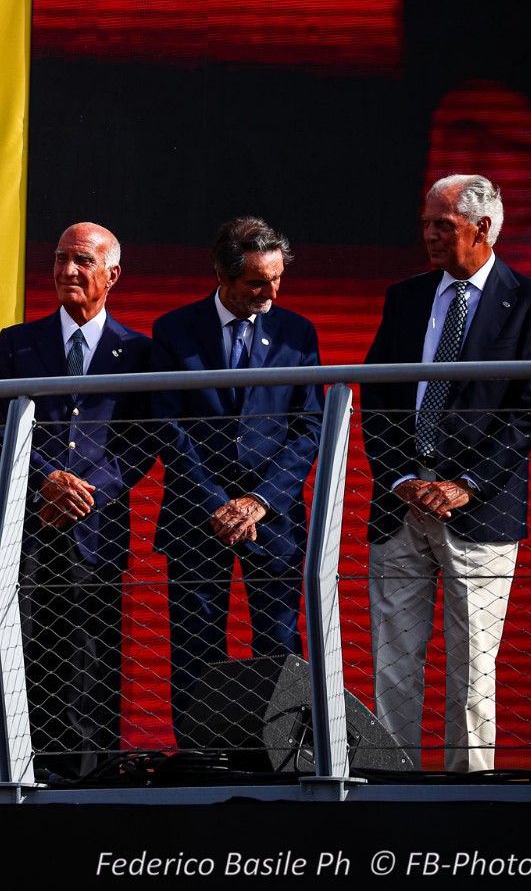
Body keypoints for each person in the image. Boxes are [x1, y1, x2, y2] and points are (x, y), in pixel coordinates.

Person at [361, 173, 531, 773]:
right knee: (393, 662)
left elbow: (530, 411)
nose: (429, 235)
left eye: (442, 225)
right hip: (401, 507)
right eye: (426, 223)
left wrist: (465, 485)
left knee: (472, 669)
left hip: (481, 510)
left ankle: (467, 792)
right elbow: (374, 397)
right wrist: (398, 479)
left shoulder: (528, 302)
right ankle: (387, 782)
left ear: (484, 227)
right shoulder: (406, 297)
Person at [0, 222, 154, 781]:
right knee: (23, 644)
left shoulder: (140, 352)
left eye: (82, 260)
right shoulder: (17, 343)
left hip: (96, 529)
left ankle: (89, 777)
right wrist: (46, 480)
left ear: (113, 274)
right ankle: (19, 767)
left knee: (92, 653)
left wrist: (88, 492)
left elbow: (143, 442)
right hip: (25, 523)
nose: (67, 271)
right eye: (60, 259)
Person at [148, 216, 323, 745]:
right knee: (197, 643)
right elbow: (166, 425)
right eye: (257, 282)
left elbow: (309, 425)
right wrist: (217, 502)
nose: (271, 292)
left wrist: (260, 501)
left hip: (274, 517)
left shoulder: (298, 333)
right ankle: (204, 757)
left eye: (276, 278)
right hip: (196, 517)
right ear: (222, 277)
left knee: (279, 641)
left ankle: (284, 754)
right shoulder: (175, 331)